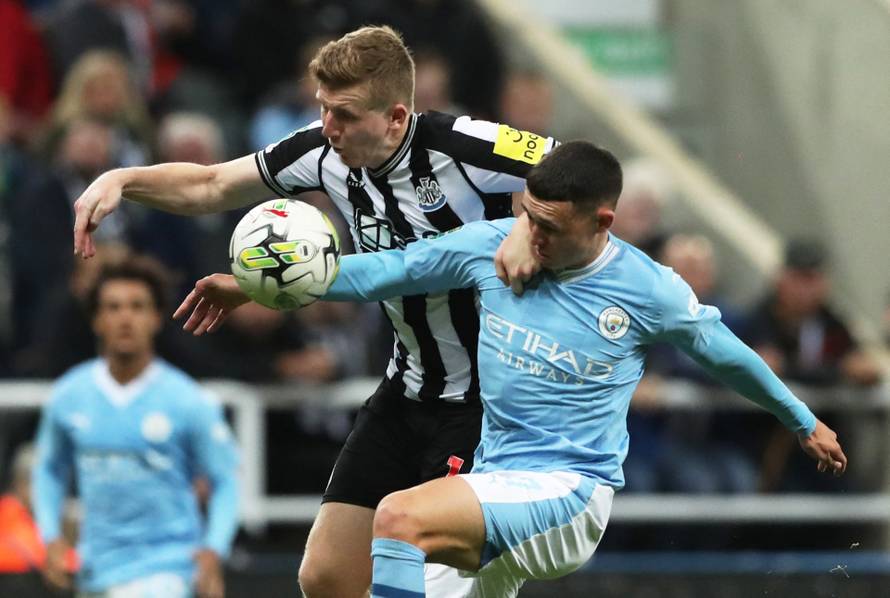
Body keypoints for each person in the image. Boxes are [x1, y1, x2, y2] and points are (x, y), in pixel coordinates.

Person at [177, 141, 846, 596]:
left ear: (603, 220)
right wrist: (266, 285)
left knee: (398, 518)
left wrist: (802, 419)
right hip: (494, 485)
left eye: (550, 225)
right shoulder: (492, 246)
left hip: (569, 492)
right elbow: (384, 271)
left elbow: (727, 354)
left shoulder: (649, 290)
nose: (533, 234)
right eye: (528, 216)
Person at [71, 24, 556, 598]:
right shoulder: (322, 152)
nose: (329, 128)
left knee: (429, 574)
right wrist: (123, 178)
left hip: (486, 403)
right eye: (323, 109)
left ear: (396, 118)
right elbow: (208, 184)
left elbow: (581, 169)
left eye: (345, 114)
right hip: (405, 391)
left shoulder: (465, 145)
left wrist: (531, 225)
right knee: (326, 576)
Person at [31, 257, 240, 598]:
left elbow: (226, 478)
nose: (125, 318)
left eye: (137, 306)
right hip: (94, 569)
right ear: (97, 320)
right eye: (113, 307)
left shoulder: (187, 399)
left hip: (169, 570)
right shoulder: (70, 396)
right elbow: (49, 470)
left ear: (156, 318)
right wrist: (51, 537)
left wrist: (213, 550)